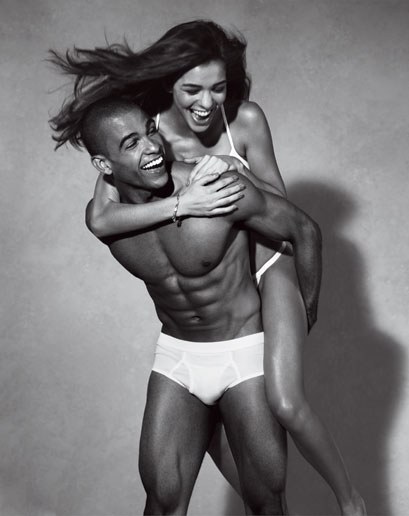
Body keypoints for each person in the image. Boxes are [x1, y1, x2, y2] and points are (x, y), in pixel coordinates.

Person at [48, 20, 365, 515]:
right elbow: (100, 215)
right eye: (131, 144)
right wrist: (182, 204)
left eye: (149, 135)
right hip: (178, 355)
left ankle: (350, 501)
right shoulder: (109, 210)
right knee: (162, 499)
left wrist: (305, 311)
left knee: (268, 489)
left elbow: (302, 229)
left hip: (247, 331)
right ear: (104, 167)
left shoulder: (221, 180)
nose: (150, 147)